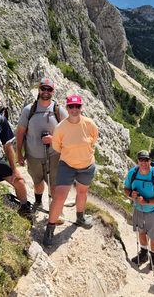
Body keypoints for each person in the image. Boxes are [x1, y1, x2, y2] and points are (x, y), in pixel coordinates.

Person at [43, 95, 98, 248]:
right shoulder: (61, 127)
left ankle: (80, 217)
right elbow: (56, 146)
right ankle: (50, 227)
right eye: (71, 106)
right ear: (67, 108)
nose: (75, 109)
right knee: (60, 196)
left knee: (82, 192)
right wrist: (71, 156)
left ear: (81, 108)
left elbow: (93, 140)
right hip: (67, 164)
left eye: (77, 106)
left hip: (86, 165)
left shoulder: (89, 124)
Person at [16, 78, 67, 208]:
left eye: (49, 89)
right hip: (33, 155)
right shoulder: (28, 110)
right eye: (43, 89)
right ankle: (38, 202)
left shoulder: (59, 111)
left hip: (54, 155)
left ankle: (55, 209)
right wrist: (19, 154)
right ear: (38, 89)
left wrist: (53, 139)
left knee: (54, 184)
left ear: (52, 91)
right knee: (38, 183)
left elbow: (68, 134)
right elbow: (20, 133)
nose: (45, 92)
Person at [124, 150, 154, 271]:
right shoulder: (132, 173)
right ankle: (143, 254)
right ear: (138, 161)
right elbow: (126, 188)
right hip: (138, 209)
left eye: (146, 159)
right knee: (141, 232)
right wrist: (130, 195)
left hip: (153, 212)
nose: (143, 162)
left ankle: (153, 257)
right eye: (141, 159)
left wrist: (146, 201)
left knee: (153, 237)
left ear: (150, 161)